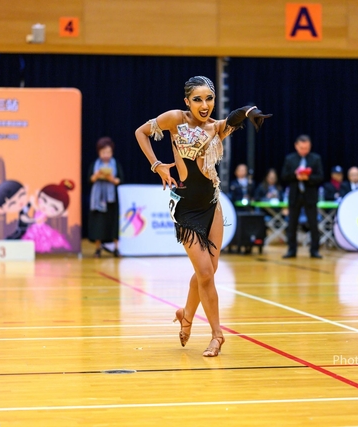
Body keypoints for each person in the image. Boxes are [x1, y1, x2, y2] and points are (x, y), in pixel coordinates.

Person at [135, 76, 270, 357]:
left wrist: (250, 112)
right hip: (186, 209)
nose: (204, 104)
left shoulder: (215, 128)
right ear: (187, 101)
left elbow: (233, 118)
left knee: (208, 271)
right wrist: (157, 165)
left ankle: (186, 315)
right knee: (206, 273)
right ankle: (217, 335)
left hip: (212, 205)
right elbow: (141, 132)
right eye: (197, 99)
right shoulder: (175, 119)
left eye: (209, 98)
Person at [281, 134, 324, 259]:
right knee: (292, 224)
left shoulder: (315, 159)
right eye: (302, 148)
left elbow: (320, 177)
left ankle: (314, 250)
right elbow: (284, 176)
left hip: (310, 195)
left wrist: (307, 178)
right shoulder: (290, 159)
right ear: (296, 146)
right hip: (295, 196)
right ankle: (292, 250)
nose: (304, 150)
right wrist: (296, 175)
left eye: (307, 148)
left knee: (313, 223)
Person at [88, 137, 124, 257]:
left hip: (111, 200)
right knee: (98, 224)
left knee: (113, 224)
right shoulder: (95, 164)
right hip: (97, 199)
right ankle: (98, 249)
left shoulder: (115, 164)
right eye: (103, 152)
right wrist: (97, 175)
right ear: (99, 152)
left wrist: (111, 179)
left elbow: (121, 180)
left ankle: (116, 248)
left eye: (108, 152)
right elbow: (89, 180)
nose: (106, 155)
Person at [22, 180, 74, 253]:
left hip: (41, 228)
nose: (46, 207)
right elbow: (36, 208)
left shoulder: (44, 214)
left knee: (42, 240)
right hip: (35, 228)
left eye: (54, 208)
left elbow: (38, 218)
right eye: (44, 200)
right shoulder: (39, 209)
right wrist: (32, 201)